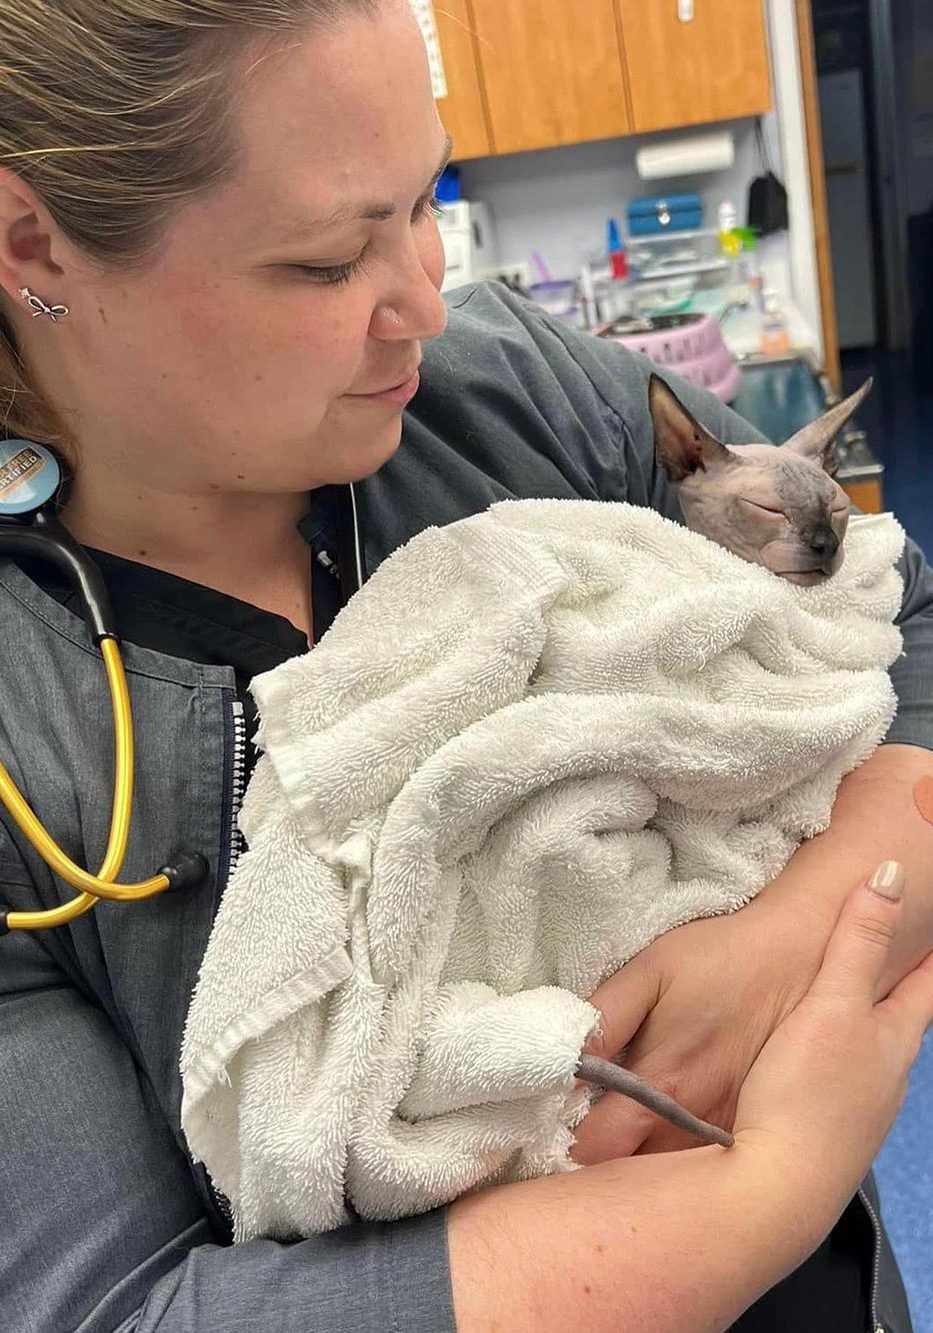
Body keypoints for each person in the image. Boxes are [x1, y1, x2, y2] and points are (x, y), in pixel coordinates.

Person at [1, 2, 932, 1330]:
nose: (427, 302)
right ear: (32, 244)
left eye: (424, 198)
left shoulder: (527, 392)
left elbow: (899, 617)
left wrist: (792, 938)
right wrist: (762, 1195)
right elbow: (99, 1305)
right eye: (330, 261)